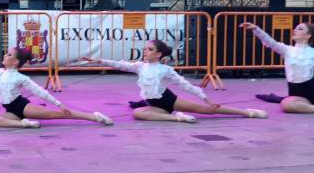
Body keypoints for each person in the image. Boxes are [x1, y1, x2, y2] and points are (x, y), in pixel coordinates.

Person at [81, 40, 268, 123]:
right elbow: (120, 64)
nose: (146, 52)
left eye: (150, 49)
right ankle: (176, 118)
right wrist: (100, 61)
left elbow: (184, 84)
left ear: (159, 53)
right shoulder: (140, 66)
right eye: (145, 49)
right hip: (155, 106)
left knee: (209, 110)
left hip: (169, 101)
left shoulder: (165, 69)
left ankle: (247, 112)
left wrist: (205, 98)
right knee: (138, 114)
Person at [0, 47, 113, 128]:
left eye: (8, 55)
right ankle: (24, 124)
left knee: (59, 115)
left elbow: (39, 91)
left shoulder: (20, 77)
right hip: (11, 111)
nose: (5, 56)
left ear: (15, 62)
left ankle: (95, 117)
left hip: (22, 106)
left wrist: (59, 104)